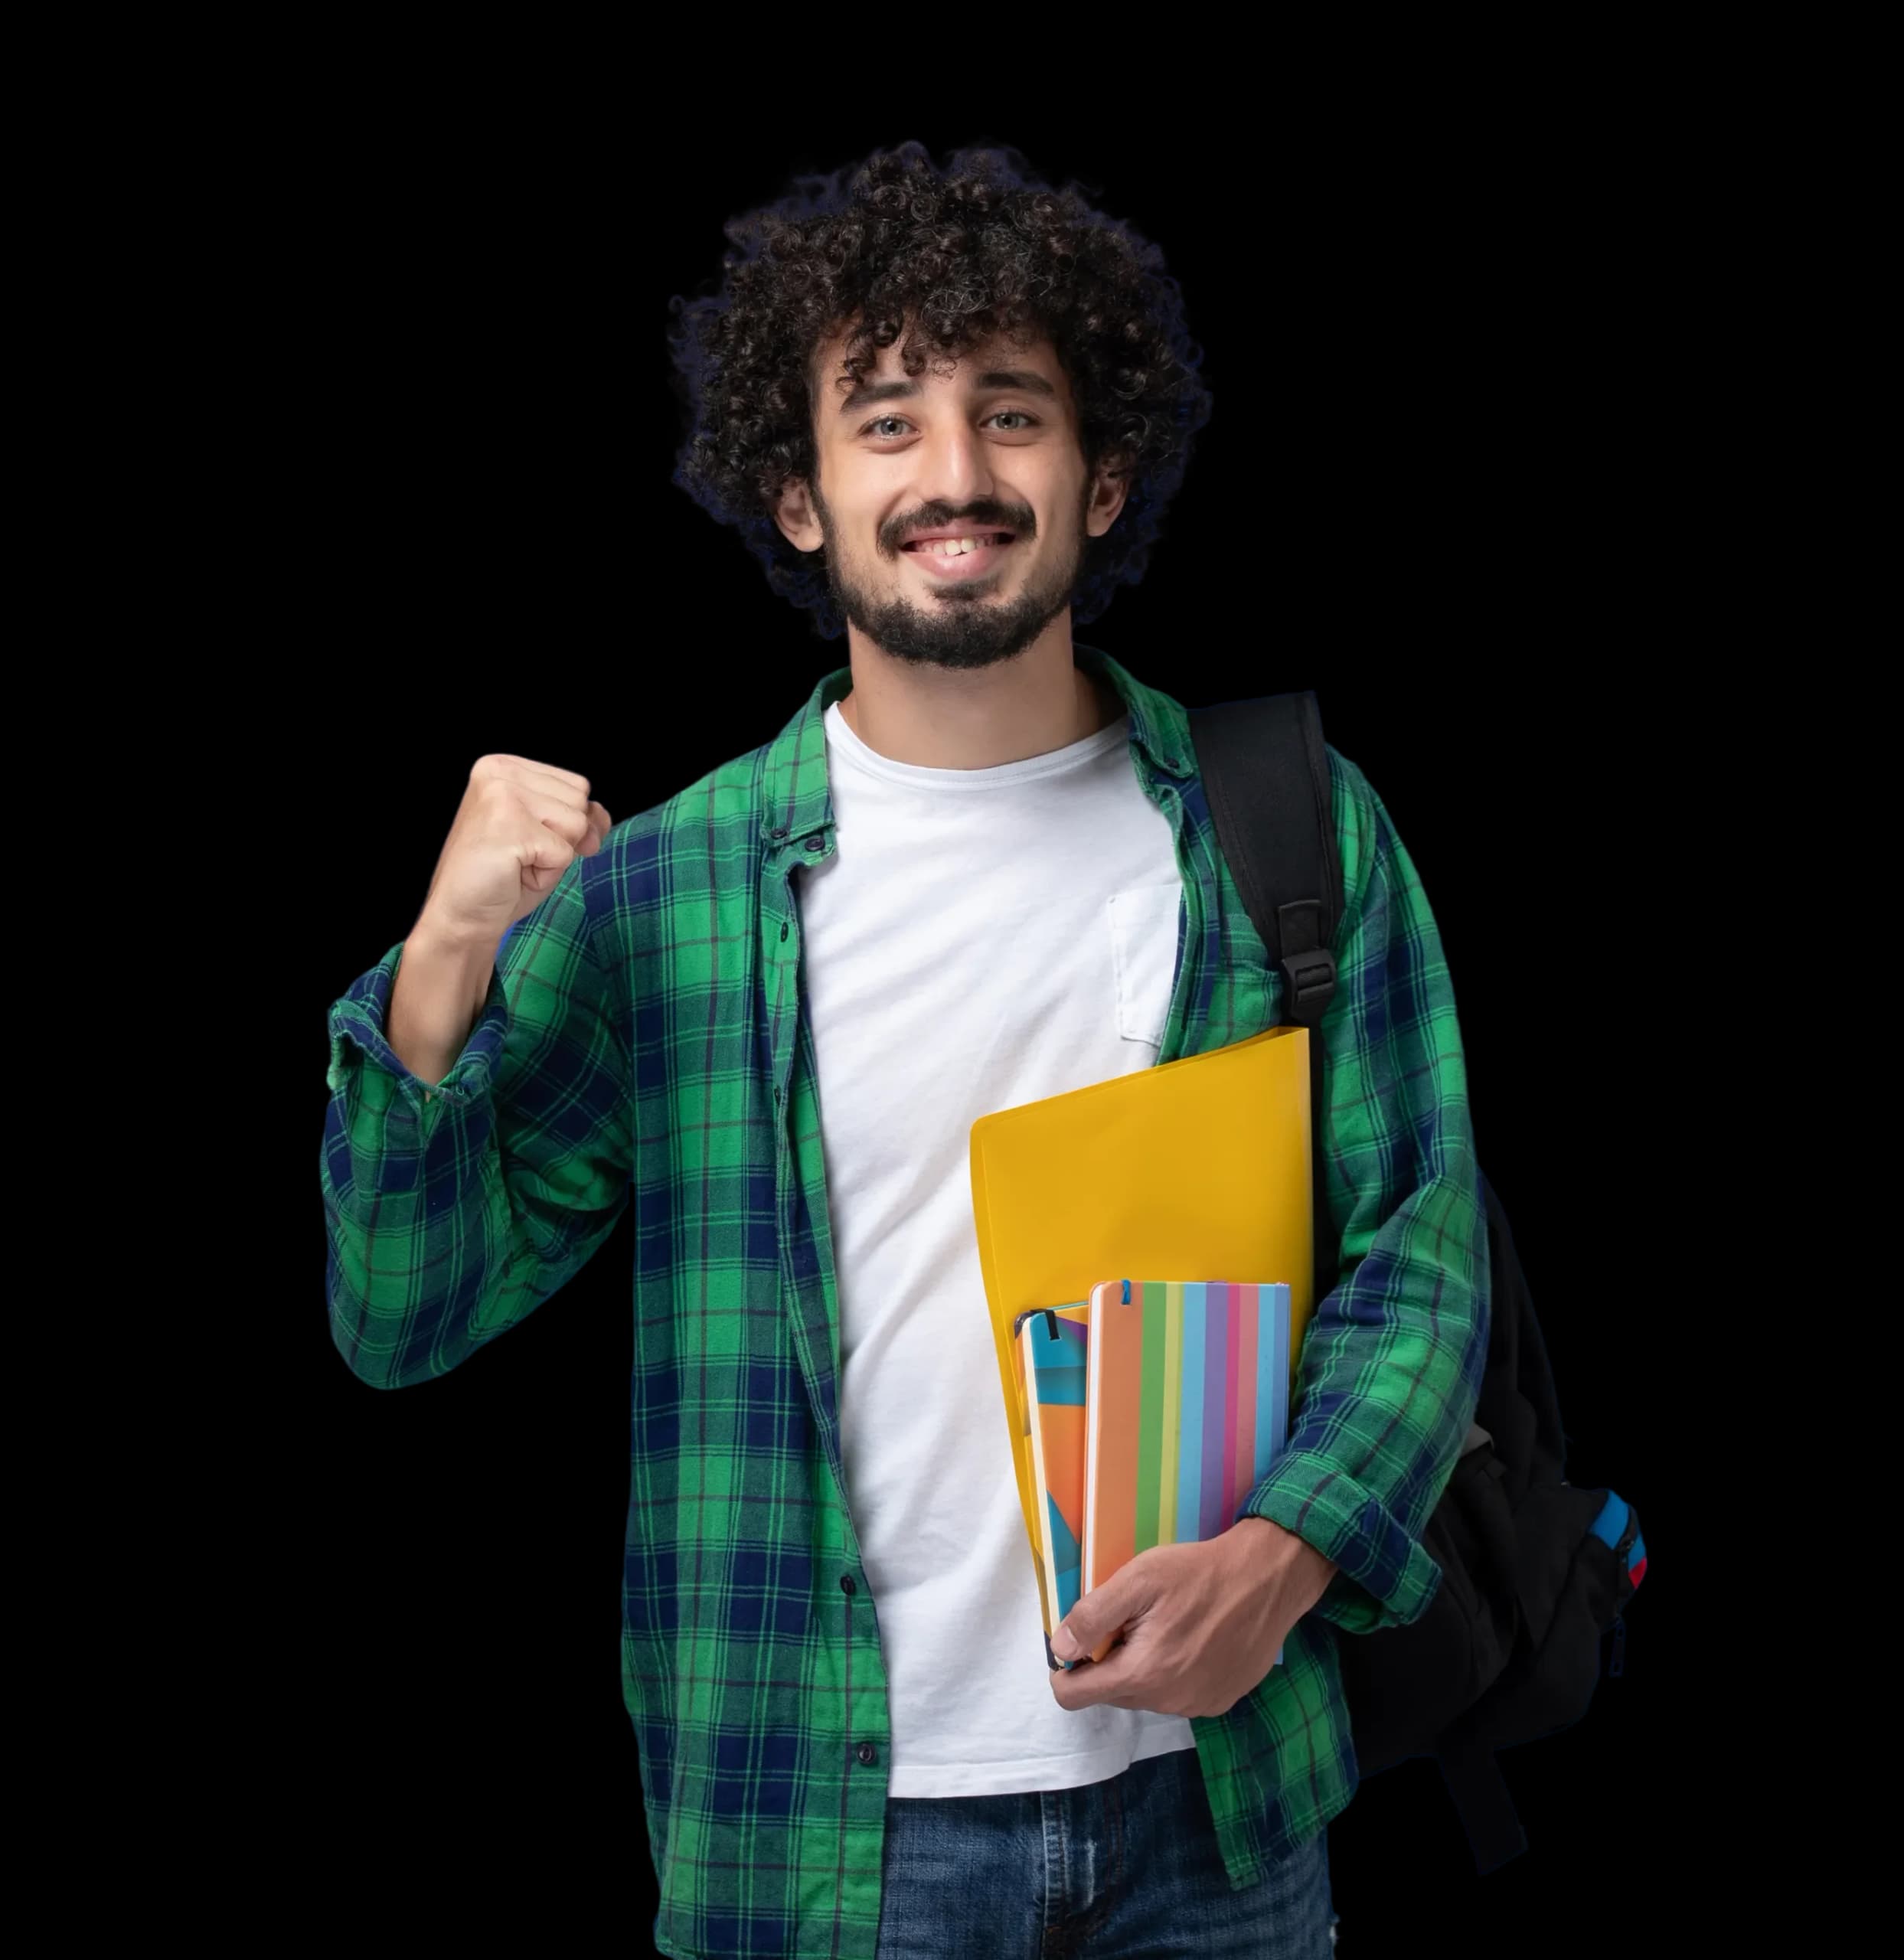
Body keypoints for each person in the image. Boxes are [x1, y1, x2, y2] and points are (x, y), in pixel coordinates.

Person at [318, 140, 1491, 1960]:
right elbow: (401, 1307)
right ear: (796, 494)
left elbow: (1420, 1256)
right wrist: (444, 952)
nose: (956, 476)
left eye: (1010, 415)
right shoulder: (671, 895)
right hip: (815, 1831)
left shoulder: (1288, 826)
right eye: (887, 422)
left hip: (1217, 1807)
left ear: (1105, 474)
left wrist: (1291, 1556)